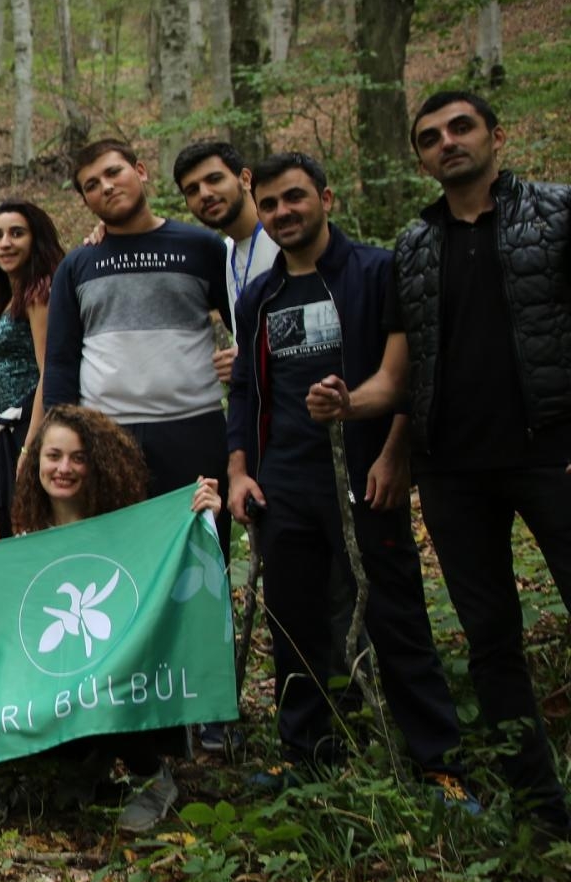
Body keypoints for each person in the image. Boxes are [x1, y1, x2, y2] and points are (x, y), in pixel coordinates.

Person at [306, 90, 571, 836]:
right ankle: (540, 808)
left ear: (496, 134)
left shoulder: (555, 215)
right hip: (453, 472)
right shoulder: (414, 247)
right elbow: (398, 377)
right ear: (419, 156)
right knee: (490, 639)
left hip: (553, 454)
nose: (447, 143)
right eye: (431, 137)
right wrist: (349, 407)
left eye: (462, 128)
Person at [224, 152, 466, 789]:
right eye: (272, 204)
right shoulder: (259, 297)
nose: (283, 213)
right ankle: (307, 756)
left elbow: (410, 374)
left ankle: (437, 760)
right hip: (284, 484)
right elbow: (246, 393)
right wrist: (240, 473)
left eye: (296, 198)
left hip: (363, 476)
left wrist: (394, 453)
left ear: (326, 199)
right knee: (294, 623)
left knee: (396, 616)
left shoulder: (375, 272)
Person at [0, 406, 220, 835]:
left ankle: (152, 774)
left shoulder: (128, 527)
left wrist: (202, 512)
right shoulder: (25, 532)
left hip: (122, 675)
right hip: (50, 674)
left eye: (78, 458)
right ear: (36, 460)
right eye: (54, 456)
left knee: (106, 668)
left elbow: (170, 584)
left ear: (97, 463)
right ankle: (75, 767)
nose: (64, 468)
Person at [45, 140, 234, 499]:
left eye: (113, 172)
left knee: (200, 546)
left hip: (194, 427)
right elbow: (60, 360)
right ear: (87, 203)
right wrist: (60, 437)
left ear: (141, 171)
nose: (106, 186)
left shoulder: (203, 247)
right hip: (104, 433)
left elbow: (246, 323)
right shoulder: (77, 266)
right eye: (92, 185)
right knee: (118, 551)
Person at [0, 201, 64, 532]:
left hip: (31, 423)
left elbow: (48, 370)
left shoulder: (39, 294)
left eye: (17, 233)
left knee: (33, 522)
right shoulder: (7, 296)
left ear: (35, 238)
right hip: (8, 427)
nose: (5, 243)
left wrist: (32, 443)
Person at [174, 140, 277, 337]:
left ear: (246, 179)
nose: (205, 194)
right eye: (192, 190)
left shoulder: (285, 240)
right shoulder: (224, 253)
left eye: (214, 179)